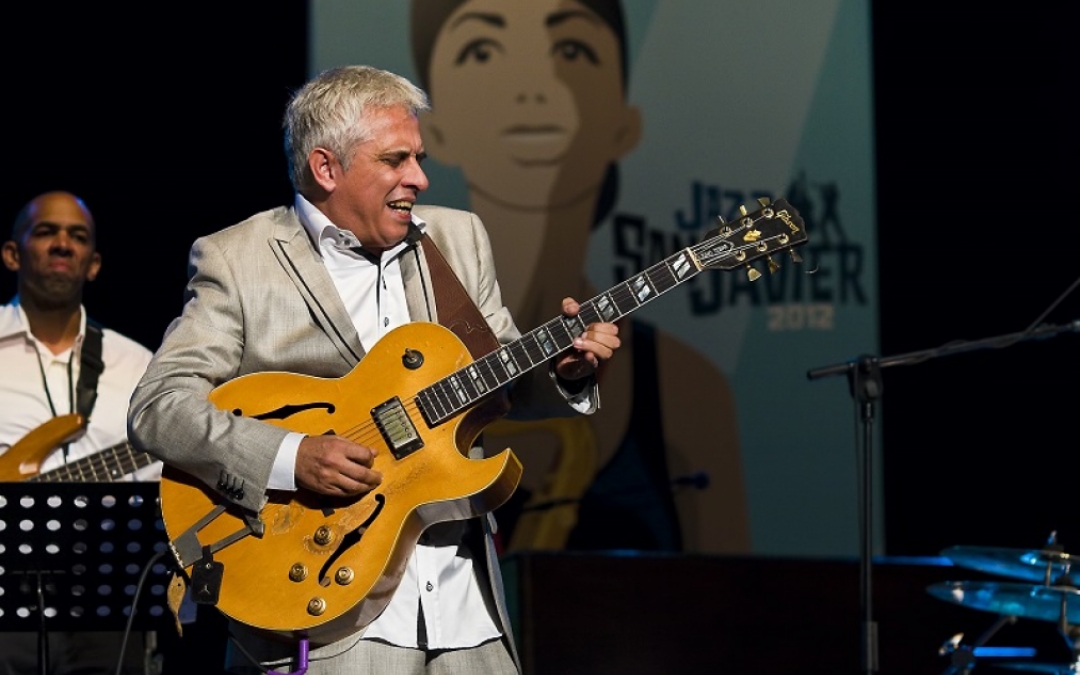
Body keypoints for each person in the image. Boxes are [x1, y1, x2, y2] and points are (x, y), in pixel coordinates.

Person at [126, 64, 621, 675]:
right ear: (326, 168)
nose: (419, 177)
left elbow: (502, 383)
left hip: (465, 609)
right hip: (325, 610)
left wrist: (564, 373)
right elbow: (160, 406)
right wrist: (291, 455)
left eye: (418, 158)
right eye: (395, 160)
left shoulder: (458, 237)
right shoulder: (239, 258)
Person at [409, 0, 750, 553]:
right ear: (434, 132)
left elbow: (731, 596)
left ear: (625, 123)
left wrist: (566, 377)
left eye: (570, 50)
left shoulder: (690, 389)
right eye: (482, 51)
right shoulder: (396, 303)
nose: (533, 87)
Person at [0, 190, 161, 675]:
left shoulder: (139, 366)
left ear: (93, 264)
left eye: (78, 236)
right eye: (45, 232)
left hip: (107, 606)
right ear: (12, 254)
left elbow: (162, 483)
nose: (62, 244)